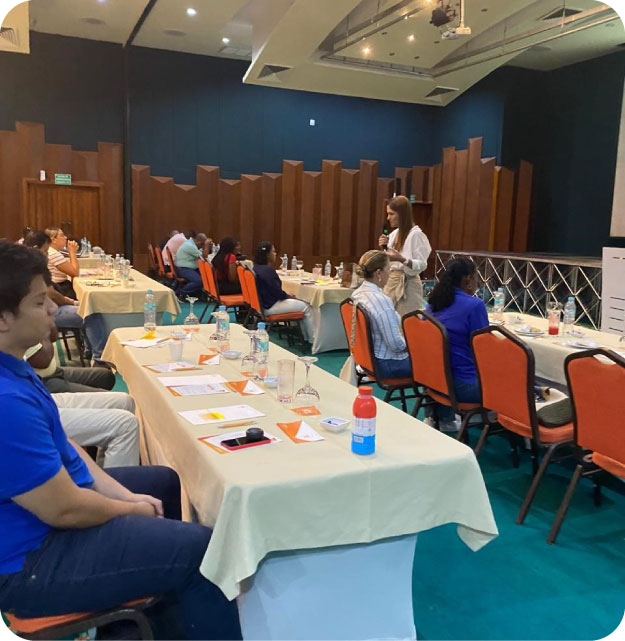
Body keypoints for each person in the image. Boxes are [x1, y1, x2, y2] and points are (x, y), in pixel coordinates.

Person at [0, 241, 241, 640]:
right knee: (202, 550)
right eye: (39, 302)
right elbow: (64, 510)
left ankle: (149, 618)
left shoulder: (15, 368)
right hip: (30, 564)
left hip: (44, 525)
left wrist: (125, 497)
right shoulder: (7, 401)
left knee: (163, 481)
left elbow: (65, 446)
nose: (51, 309)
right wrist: (129, 511)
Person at [24, 231, 108, 365]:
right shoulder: (35, 266)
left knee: (86, 308)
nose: (47, 254)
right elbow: (51, 293)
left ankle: (89, 351)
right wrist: (71, 302)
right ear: (35, 249)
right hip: (45, 312)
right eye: (45, 251)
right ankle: (99, 358)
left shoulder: (24, 264)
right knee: (91, 313)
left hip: (42, 309)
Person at [425, 257, 489, 431]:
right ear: (468, 279)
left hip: (433, 379)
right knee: (517, 377)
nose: (477, 283)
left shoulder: (432, 304)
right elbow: (485, 349)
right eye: (476, 278)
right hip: (463, 385)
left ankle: (441, 417)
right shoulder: (475, 305)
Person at [351, 250, 412, 379]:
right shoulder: (381, 301)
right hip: (387, 363)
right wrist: (415, 344)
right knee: (438, 362)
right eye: (389, 269)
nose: (390, 273)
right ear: (379, 273)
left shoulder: (356, 294)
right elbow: (395, 344)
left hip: (365, 359)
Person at [378, 195, 431, 316]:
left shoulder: (416, 235)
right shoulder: (394, 234)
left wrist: (401, 259)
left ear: (402, 214)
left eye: (391, 214)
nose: (388, 218)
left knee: (406, 321)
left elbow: (422, 264)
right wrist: (383, 248)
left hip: (408, 285)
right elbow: (390, 259)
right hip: (392, 281)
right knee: (389, 319)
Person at [253, 241, 314, 342]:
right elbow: (278, 293)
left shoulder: (255, 267)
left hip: (259, 306)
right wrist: (289, 296)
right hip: (270, 306)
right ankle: (312, 340)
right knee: (307, 306)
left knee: (299, 303)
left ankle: (305, 337)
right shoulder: (268, 271)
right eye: (273, 251)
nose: (275, 254)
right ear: (267, 255)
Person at [174, 232, 213, 298]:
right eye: (202, 244)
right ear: (198, 242)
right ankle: (179, 294)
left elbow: (205, 253)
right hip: (183, 269)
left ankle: (203, 295)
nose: (202, 247)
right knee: (199, 281)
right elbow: (204, 257)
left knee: (208, 276)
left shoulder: (192, 243)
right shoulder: (190, 246)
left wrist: (209, 247)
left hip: (190, 268)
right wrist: (206, 246)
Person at [45, 226, 79, 299]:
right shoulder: (54, 254)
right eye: (62, 235)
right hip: (60, 288)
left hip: (58, 286)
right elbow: (75, 272)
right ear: (53, 239)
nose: (65, 237)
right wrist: (72, 252)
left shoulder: (51, 251)